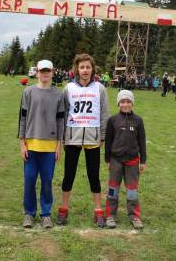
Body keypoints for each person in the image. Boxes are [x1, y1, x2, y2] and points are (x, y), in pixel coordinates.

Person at [57, 54, 109, 228]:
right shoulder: (68, 88)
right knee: (68, 175)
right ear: (76, 69)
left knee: (94, 175)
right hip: (72, 137)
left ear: (92, 69)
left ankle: (98, 210)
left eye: (88, 67)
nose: (85, 70)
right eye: (82, 67)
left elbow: (104, 114)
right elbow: (63, 114)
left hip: (93, 137)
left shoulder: (100, 88)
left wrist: (103, 135)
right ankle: (64, 208)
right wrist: (63, 137)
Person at [18, 59, 65, 229]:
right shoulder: (28, 92)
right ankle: (29, 213)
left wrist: (59, 145)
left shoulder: (59, 94)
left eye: (48, 71)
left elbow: (61, 122)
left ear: (53, 72)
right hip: (31, 146)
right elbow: (22, 119)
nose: (45, 73)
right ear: (37, 72)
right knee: (29, 180)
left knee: (47, 180)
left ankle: (46, 214)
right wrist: (22, 144)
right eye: (42, 71)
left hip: (50, 147)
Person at [104, 90, 146, 229]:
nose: (125, 104)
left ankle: (134, 215)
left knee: (132, 190)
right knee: (113, 189)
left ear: (132, 103)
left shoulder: (138, 120)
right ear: (118, 103)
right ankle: (110, 215)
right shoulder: (113, 120)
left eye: (128, 102)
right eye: (122, 102)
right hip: (115, 160)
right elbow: (108, 141)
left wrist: (143, 160)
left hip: (133, 161)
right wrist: (107, 159)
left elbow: (142, 141)